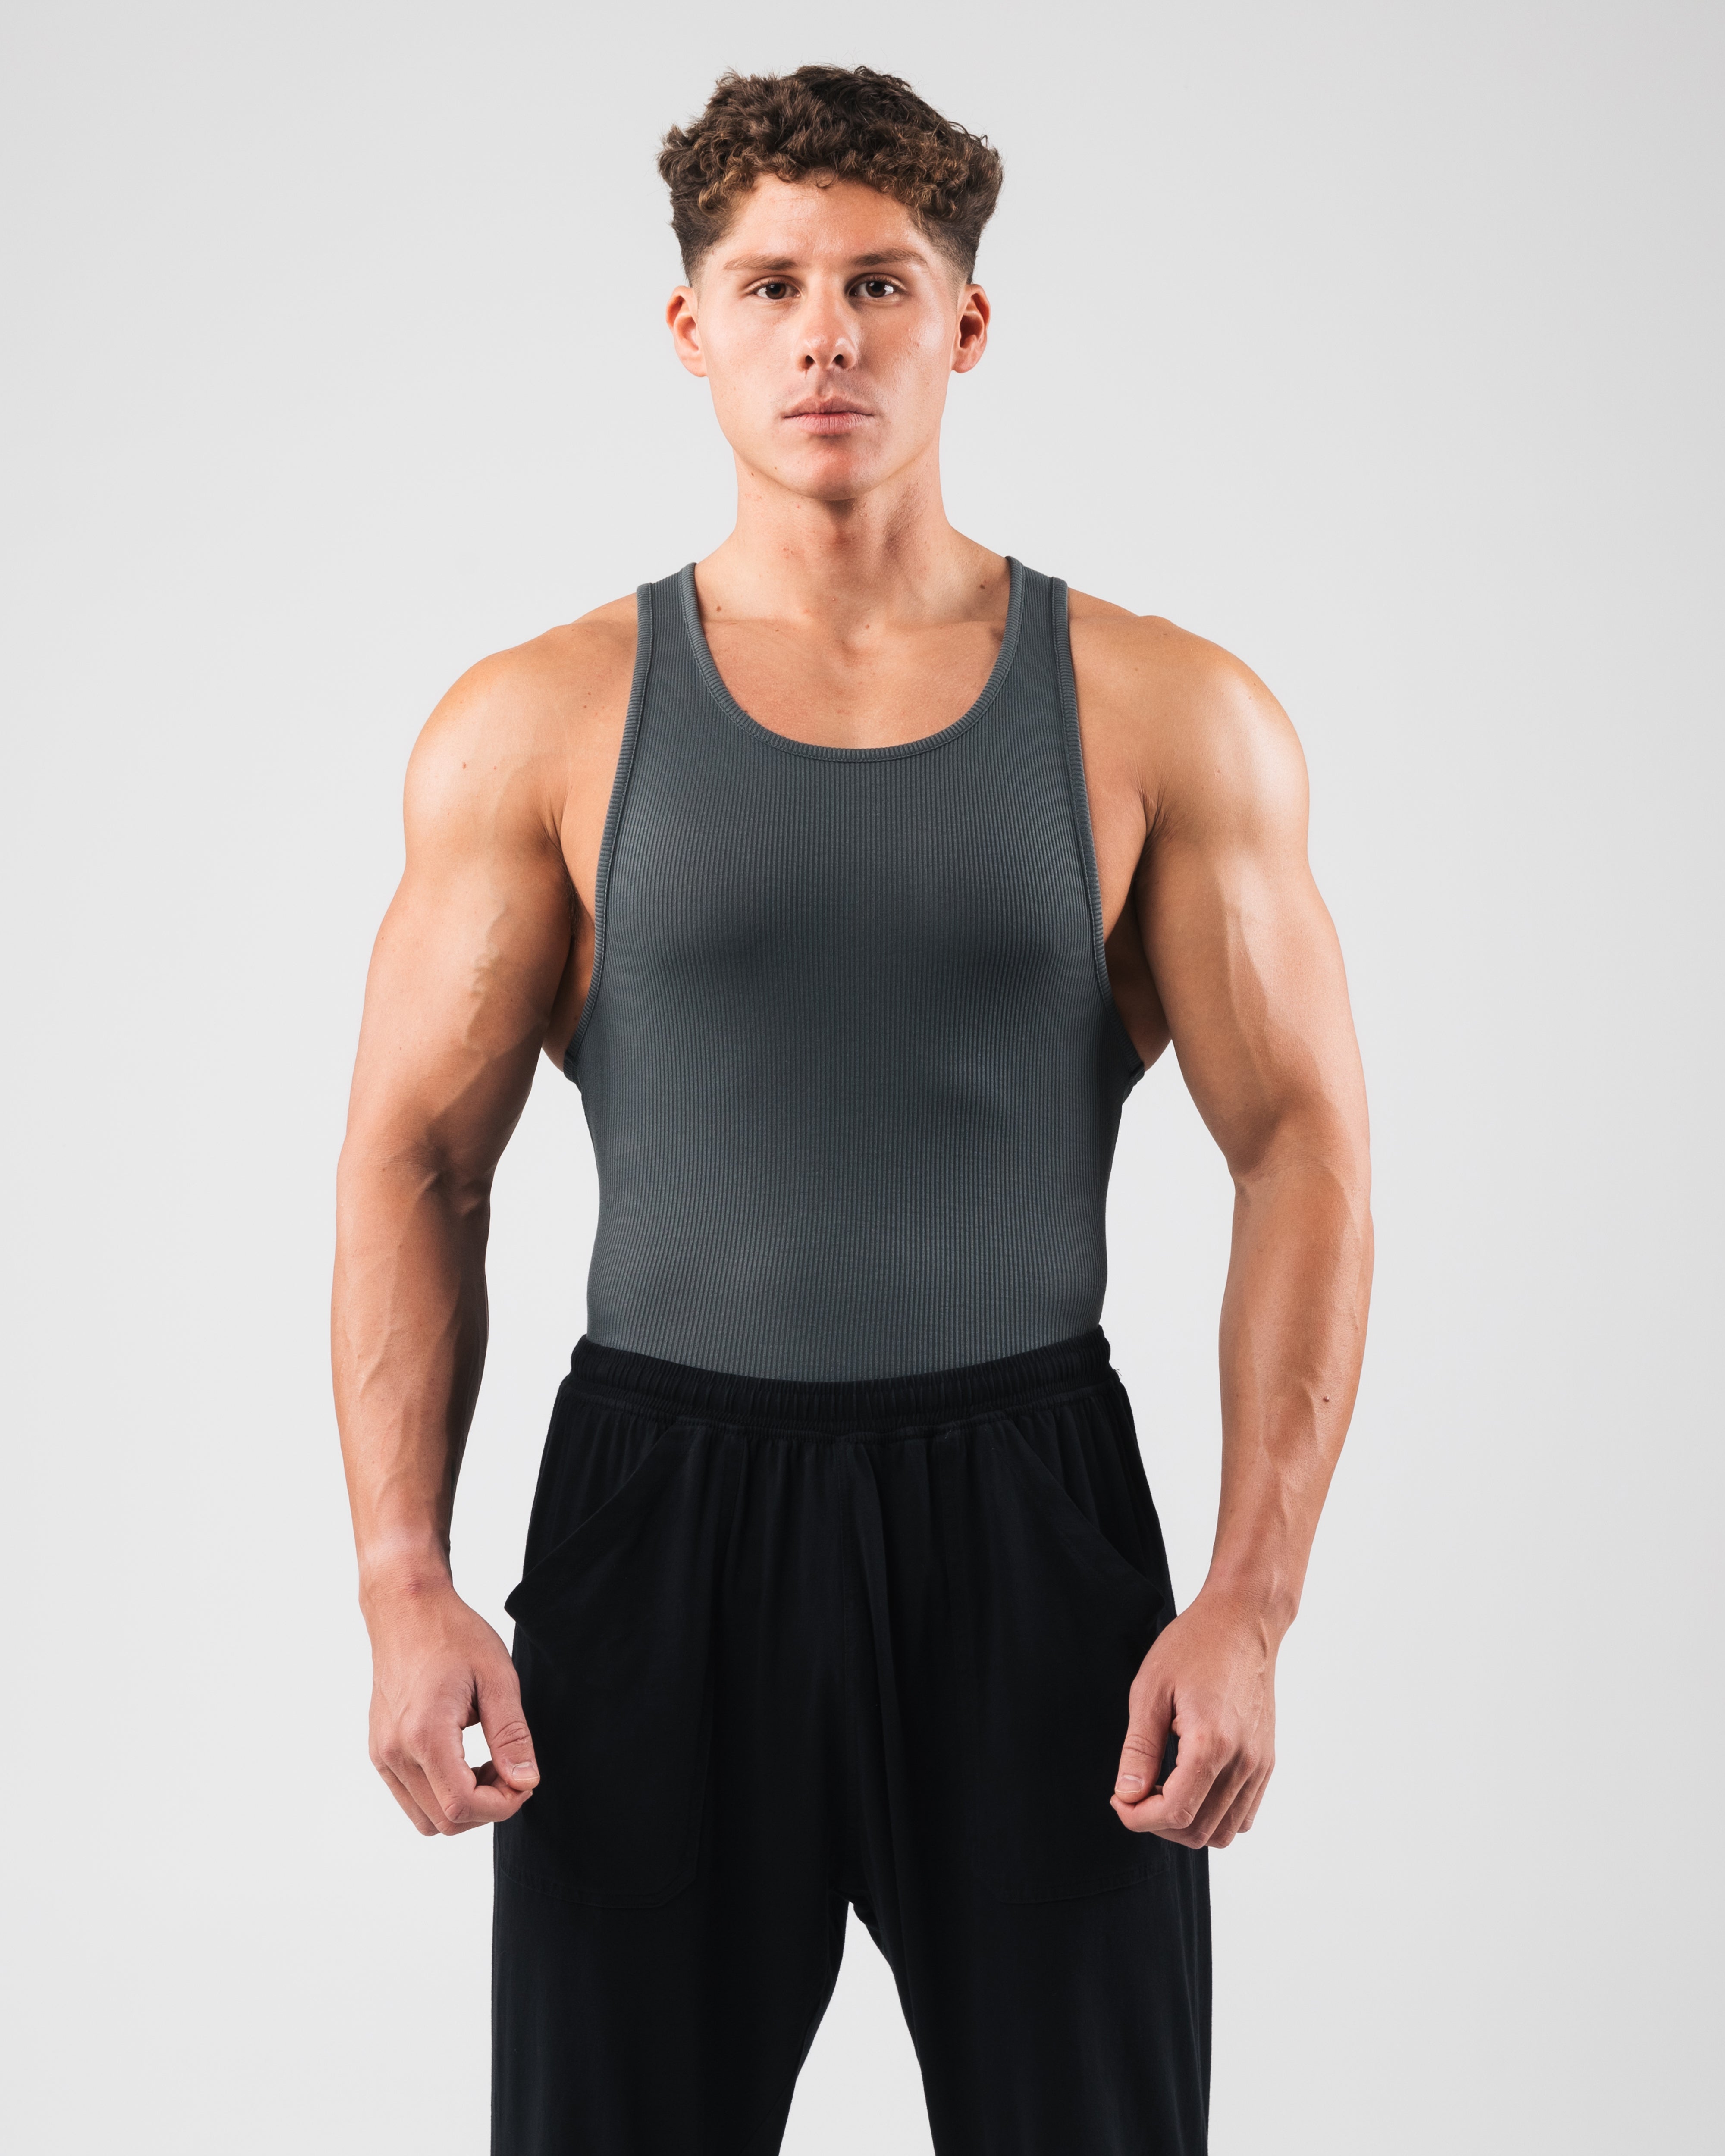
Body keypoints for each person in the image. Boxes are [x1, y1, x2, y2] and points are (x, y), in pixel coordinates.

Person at [332, 61, 1373, 2156]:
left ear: (963, 323)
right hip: (656, 1523)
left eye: (880, 284)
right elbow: (418, 1157)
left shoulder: (1166, 710)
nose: (827, 334)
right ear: (691, 325)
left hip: (1028, 1523)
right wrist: (400, 1579)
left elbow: (1302, 1151)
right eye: (774, 284)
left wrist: (1249, 1600)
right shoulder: (538, 720)